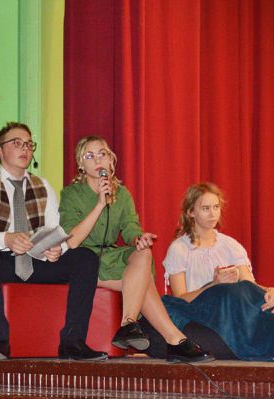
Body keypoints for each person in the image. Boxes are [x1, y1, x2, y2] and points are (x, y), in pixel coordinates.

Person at [58, 135, 213, 363]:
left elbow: (130, 227)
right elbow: (72, 240)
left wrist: (138, 239)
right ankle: (174, 340)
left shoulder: (121, 194)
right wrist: (100, 204)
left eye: (102, 154)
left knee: (143, 253)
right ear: (81, 164)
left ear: (111, 160)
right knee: (144, 280)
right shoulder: (71, 194)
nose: (97, 160)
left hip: (112, 255)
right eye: (89, 156)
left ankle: (130, 324)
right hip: (84, 260)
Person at [0, 122, 107, 361]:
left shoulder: (43, 186)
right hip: (4, 261)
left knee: (85, 258)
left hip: (37, 260)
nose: (25, 149)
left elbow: (56, 229)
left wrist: (56, 248)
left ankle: (72, 342)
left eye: (29, 144)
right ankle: (0, 342)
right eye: (17, 143)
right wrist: (6, 238)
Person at [162, 182, 274, 362]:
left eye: (216, 207)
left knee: (255, 295)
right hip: (201, 310)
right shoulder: (179, 248)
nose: (213, 214)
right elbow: (180, 299)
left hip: (235, 306)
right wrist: (214, 285)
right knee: (229, 291)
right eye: (205, 208)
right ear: (191, 212)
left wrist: (270, 291)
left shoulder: (229, 245)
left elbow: (250, 287)